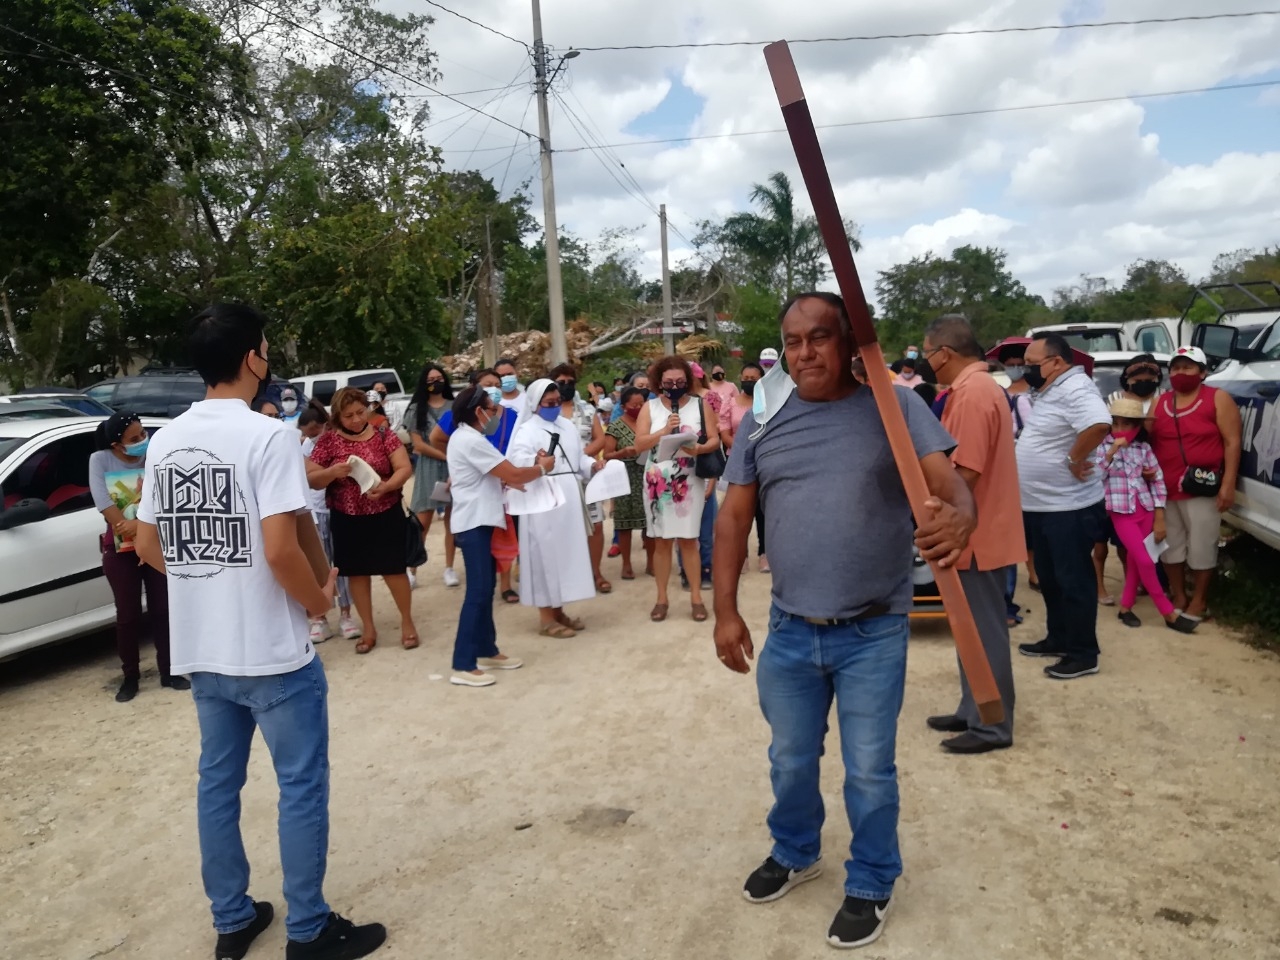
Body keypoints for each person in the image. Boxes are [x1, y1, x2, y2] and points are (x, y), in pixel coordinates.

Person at [714, 292, 973, 950]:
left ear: (850, 344)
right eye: (793, 340)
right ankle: (797, 851)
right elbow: (734, 517)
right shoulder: (764, 419)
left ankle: (873, 879)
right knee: (791, 759)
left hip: (873, 629)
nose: (805, 352)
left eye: (819, 338)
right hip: (791, 629)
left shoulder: (894, 407)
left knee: (868, 769)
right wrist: (723, 611)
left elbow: (950, 486)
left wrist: (961, 517)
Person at [133, 303, 385, 960]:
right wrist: (318, 602)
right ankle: (307, 929)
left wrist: (205, 583)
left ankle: (233, 918)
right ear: (253, 359)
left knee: (218, 782)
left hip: (203, 650)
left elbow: (147, 545)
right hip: (271, 654)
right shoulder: (266, 436)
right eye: (266, 348)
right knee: (300, 782)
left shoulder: (164, 440)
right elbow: (280, 550)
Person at [921, 315, 1023, 753]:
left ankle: (992, 725)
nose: (927, 364)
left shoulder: (974, 393)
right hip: (979, 530)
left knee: (983, 632)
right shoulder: (974, 389)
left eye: (928, 355)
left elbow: (965, 472)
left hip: (976, 533)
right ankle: (973, 707)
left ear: (944, 353)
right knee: (969, 629)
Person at [1016, 332, 1112, 680]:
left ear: (1056, 362)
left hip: (1068, 507)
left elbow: (1100, 424)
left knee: (1074, 581)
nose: (1025, 369)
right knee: (1051, 578)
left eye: (1031, 363)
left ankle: (1083, 653)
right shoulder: (1050, 390)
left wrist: (1074, 458)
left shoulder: (1076, 388)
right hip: (1043, 506)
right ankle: (1058, 638)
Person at [446, 386, 556, 687]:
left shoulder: (471, 438)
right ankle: (463, 663)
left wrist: (518, 477)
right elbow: (514, 473)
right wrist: (541, 468)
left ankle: (486, 649)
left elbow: (499, 474)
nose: (495, 414)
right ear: (478, 412)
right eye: (490, 409)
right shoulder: (470, 440)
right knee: (478, 593)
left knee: (485, 588)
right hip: (473, 522)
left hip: (480, 520)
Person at [308, 387, 419, 653]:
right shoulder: (327, 441)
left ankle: (407, 622)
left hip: (385, 511)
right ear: (337, 416)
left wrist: (388, 485)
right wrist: (333, 472)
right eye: (349, 415)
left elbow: (404, 467)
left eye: (360, 412)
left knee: (394, 569)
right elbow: (312, 479)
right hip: (347, 517)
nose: (357, 419)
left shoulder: (383, 434)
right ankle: (368, 628)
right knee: (357, 573)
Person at [88, 412, 182, 702]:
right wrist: (134, 530)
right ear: (117, 445)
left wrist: (140, 529)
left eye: (143, 434)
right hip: (121, 551)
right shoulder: (100, 460)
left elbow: (169, 498)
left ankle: (170, 670)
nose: (143, 440)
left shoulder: (155, 456)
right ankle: (130, 677)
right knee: (127, 617)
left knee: (163, 610)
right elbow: (104, 502)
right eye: (134, 438)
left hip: (156, 545)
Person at [1149, 345, 1243, 620]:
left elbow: (1232, 442)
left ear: (1202, 372)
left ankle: (1200, 599)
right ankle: (1179, 594)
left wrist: (1228, 484)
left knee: (1203, 546)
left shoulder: (1218, 398)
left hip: (1202, 487)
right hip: (1165, 489)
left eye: (1188, 367)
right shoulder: (1160, 402)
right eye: (1176, 368)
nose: (1181, 373)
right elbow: (1148, 441)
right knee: (1171, 547)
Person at [508, 379, 601, 636]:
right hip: (542, 499)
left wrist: (592, 465)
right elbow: (517, 463)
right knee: (544, 556)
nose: (555, 406)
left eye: (557, 402)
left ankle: (559, 611)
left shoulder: (566, 426)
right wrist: (537, 462)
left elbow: (578, 457)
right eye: (549, 403)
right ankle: (546, 618)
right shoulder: (527, 430)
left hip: (569, 498)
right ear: (536, 404)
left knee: (565, 556)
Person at [631, 355, 721, 623]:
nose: (674, 385)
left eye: (680, 381)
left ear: (688, 380)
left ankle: (696, 597)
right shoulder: (650, 408)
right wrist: (663, 433)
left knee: (689, 540)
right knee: (661, 541)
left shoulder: (700, 405)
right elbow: (639, 445)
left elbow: (715, 438)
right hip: (658, 479)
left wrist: (701, 448)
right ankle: (661, 598)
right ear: (659, 382)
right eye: (669, 381)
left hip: (689, 477)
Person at [1098, 399, 1199, 633]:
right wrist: (1112, 451)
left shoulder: (1143, 449)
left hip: (1145, 509)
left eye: (1127, 424)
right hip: (1120, 512)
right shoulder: (1102, 447)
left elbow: (1159, 481)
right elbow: (1095, 478)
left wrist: (1159, 514)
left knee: (1138, 560)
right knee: (1143, 559)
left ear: (1137, 426)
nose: (1120, 429)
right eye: (1116, 424)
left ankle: (1125, 607)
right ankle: (1168, 613)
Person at [427, 369, 521, 603]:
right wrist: (458, 462)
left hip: (503, 478)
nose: (495, 389)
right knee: (480, 565)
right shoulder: (463, 418)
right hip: (481, 481)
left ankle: (506, 585)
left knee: (505, 530)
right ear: (474, 387)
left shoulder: (511, 415)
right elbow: (436, 438)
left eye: (498, 384)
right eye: (488, 384)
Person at [1094, 354, 1166, 603]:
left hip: (1137, 494)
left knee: (1130, 548)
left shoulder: (1161, 401)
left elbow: (1156, 476)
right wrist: (1113, 450)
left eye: (1150, 377)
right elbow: (1096, 472)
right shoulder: (1114, 402)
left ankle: (1131, 589)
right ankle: (1101, 587)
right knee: (1100, 543)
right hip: (1110, 499)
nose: (1144, 381)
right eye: (1138, 377)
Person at [297, 405, 357, 643]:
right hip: (315, 512)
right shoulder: (304, 448)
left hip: (336, 509)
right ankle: (319, 617)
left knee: (341, 564)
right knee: (319, 566)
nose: (313, 436)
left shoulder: (337, 443)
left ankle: (346, 614)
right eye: (308, 433)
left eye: (316, 431)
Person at [549, 362, 611, 594]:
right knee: (562, 526)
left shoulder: (586, 409)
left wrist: (579, 457)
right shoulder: (546, 412)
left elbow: (599, 439)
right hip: (557, 479)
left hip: (586, 476)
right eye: (560, 382)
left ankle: (596, 573)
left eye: (570, 382)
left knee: (595, 524)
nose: (565, 386)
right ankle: (566, 574)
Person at [405, 363, 457, 588]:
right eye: (430, 379)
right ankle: (412, 570)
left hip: (452, 470)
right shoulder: (416, 410)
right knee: (422, 522)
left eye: (439, 378)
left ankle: (449, 568)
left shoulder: (455, 407)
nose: (435, 382)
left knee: (451, 521)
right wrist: (445, 456)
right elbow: (418, 445)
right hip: (430, 469)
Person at [720, 362, 769, 572]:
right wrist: (743, 451)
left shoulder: (769, 404)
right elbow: (724, 433)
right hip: (738, 463)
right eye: (746, 378)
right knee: (740, 512)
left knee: (763, 511)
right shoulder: (730, 403)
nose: (749, 382)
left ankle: (764, 554)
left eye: (754, 379)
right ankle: (741, 554)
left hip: (763, 464)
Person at [603, 386, 653, 579]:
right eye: (634, 405)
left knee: (649, 523)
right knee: (624, 525)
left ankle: (651, 563)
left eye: (642, 404)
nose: (639, 407)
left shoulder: (649, 424)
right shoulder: (615, 427)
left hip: (647, 476)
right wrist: (622, 453)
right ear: (624, 406)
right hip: (623, 479)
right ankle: (626, 565)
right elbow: (607, 455)